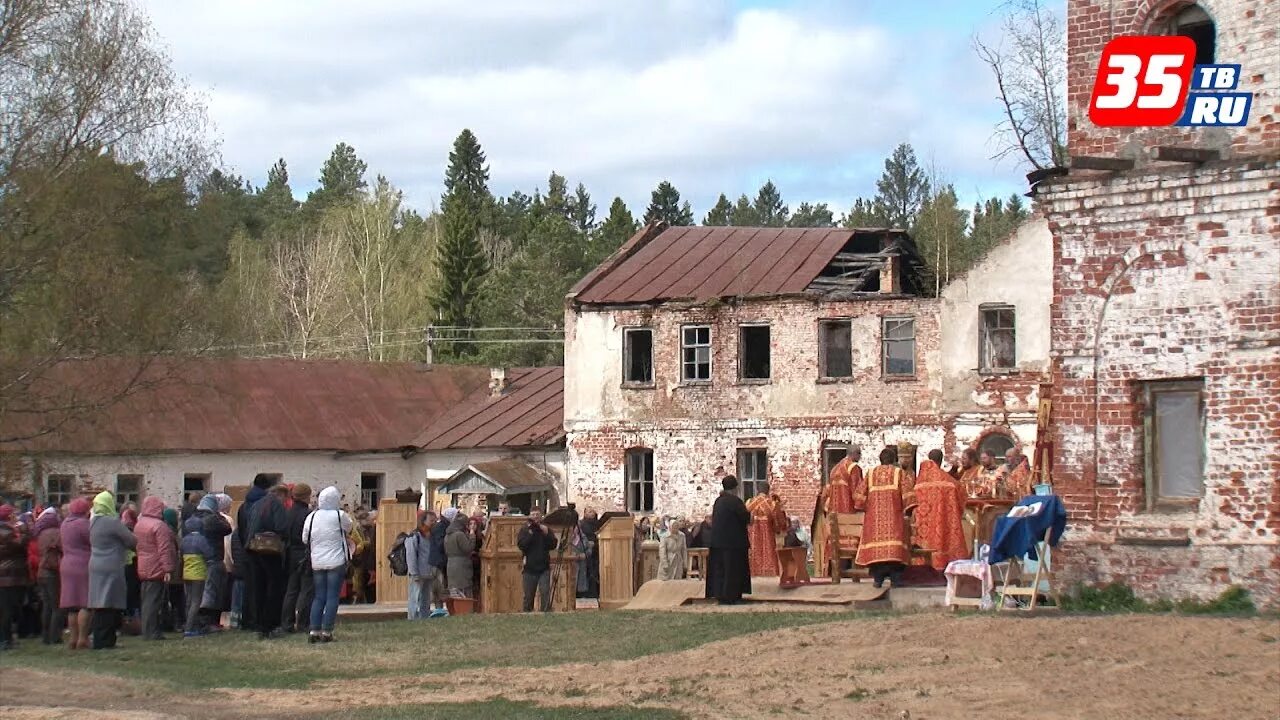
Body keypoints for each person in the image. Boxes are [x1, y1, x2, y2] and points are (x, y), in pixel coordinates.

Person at [852, 447, 917, 589]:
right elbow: (909, 496)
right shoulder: (899, 473)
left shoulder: (870, 474)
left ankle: (878, 579)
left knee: (877, 553)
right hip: (894, 520)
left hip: (874, 523)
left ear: (880, 460)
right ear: (893, 460)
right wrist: (908, 511)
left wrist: (865, 506)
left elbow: (858, 497)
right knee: (894, 551)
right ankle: (895, 580)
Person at [237, 474, 288, 640]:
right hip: (270, 549)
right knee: (274, 586)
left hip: (253, 548)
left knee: (258, 587)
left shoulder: (252, 504)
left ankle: (258, 624)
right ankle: (270, 624)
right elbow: (281, 526)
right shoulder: (274, 503)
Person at [302, 486, 353, 643]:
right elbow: (349, 527)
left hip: (317, 561)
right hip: (336, 560)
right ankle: (327, 631)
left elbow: (305, 538)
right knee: (332, 597)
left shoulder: (311, 516)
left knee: (319, 597)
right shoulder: (340, 515)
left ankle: (314, 630)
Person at [87, 491, 136, 649]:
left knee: (98, 603)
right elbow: (131, 540)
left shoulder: (93, 522)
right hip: (111, 564)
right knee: (108, 603)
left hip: (95, 564)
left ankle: (98, 638)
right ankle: (105, 640)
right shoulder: (112, 522)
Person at [911, 450, 969, 571]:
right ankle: (943, 564)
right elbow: (962, 494)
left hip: (923, 522)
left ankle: (922, 565)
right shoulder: (947, 480)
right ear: (941, 460)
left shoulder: (920, 480)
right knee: (941, 537)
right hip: (942, 519)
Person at [133, 496, 176, 641]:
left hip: (143, 564)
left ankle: (147, 630)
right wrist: (168, 568)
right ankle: (151, 632)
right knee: (154, 600)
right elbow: (164, 549)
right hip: (156, 565)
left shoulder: (140, 524)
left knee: (146, 599)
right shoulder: (159, 526)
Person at [707, 476, 751, 605]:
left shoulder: (718, 501)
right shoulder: (735, 502)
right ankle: (732, 596)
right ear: (735, 488)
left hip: (717, 542)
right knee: (733, 570)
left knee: (721, 570)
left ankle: (720, 595)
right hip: (734, 543)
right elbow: (746, 518)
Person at [59, 497, 92, 650]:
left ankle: (72, 639)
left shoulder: (65, 524)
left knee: (71, 605)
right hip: (83, 563)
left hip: (66, 563)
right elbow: (93, 542)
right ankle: (82, 639)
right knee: (84, 603)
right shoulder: (84, 524)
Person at [280, 483, 314, 633]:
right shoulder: (307, 514)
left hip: (289, 553)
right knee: (306, 590)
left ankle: (287, 623)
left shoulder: (287, 513)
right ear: (306, 496)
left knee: (291, 590)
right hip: (304, 553)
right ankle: (303, 623)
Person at [196, 494, 231, 631]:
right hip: (214, 557)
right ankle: (209, 623)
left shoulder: (195, 517)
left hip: (199, 559)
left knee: (201, 592)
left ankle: (202, 622)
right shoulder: (212, 519)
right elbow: (227, 528)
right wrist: (220, 515)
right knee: (213, 592)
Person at [516, 508, 558, 612]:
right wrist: (530, 534)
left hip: (544, 568)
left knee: (545, 593)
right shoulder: (525, 529)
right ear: (530, 516)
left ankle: (545, 615)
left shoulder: (545, 528)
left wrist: (547, 533)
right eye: (533, 514)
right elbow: (522, 545)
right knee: (528, 596)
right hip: (529, 568)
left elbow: (553, 545)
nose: (535, 517)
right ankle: (527, 615)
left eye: (537, 514)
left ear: (541, 516)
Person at [179, 514, 213, 638]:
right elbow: (209, 554)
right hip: (198, 574)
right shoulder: (202, 539)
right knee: (196, 602)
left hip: (186, 573)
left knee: (188, 601)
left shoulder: (184, 540)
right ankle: (189, 629)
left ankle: (189, 625)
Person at [0, 504, 28, 650]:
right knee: (7, 610)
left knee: (5, 609)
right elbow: (19, 544)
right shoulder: (6, 531)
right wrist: (23, 530)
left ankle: (6, 638)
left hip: (5, 574)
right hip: (8, 575)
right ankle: (6, 640)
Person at [33, 507, 62, 645]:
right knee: (56, 606)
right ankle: (55, 636)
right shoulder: (57, 533)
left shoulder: (41, 534)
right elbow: (63, 549)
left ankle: (45, 636)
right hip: (52, 572)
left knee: (46, 605)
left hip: (41, 571)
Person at [744, 482, 786, 577]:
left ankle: (754, 572)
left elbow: (745, 517)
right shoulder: (772, 503)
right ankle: (769, 572)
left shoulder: (750, 502)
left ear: (758, 490)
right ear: (768, 490)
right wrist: (779, 528)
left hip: (753, 531)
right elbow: (779, 520)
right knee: (768, 549)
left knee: (755, 550)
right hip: (767, 530)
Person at [405, 511, 440, 620]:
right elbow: (410, 555)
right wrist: (414, 573)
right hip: (417, 573)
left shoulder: (432, 536)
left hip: (429, 573)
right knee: (415, 597)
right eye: (431, 520)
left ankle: (424, 618)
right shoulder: (414, 536)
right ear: (423, 521)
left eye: (435, 520)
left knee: (426, 598)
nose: (434, 523)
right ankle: (412, 619)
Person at [444, 509, 475, 598]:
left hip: (450, 564)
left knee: (454, 591)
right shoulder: (459, 535)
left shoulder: (448, 534)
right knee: (463, 591)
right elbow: (468, 548)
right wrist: (472, 535)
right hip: (461, 565)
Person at [428, 507, 452, 616]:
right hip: (438, 562)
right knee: (439, 587)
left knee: (439, 587)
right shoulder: (441, 527)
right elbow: (440, 544)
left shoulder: (442, 526)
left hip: (438, 561)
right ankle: (439, 610)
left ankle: (440, 609)